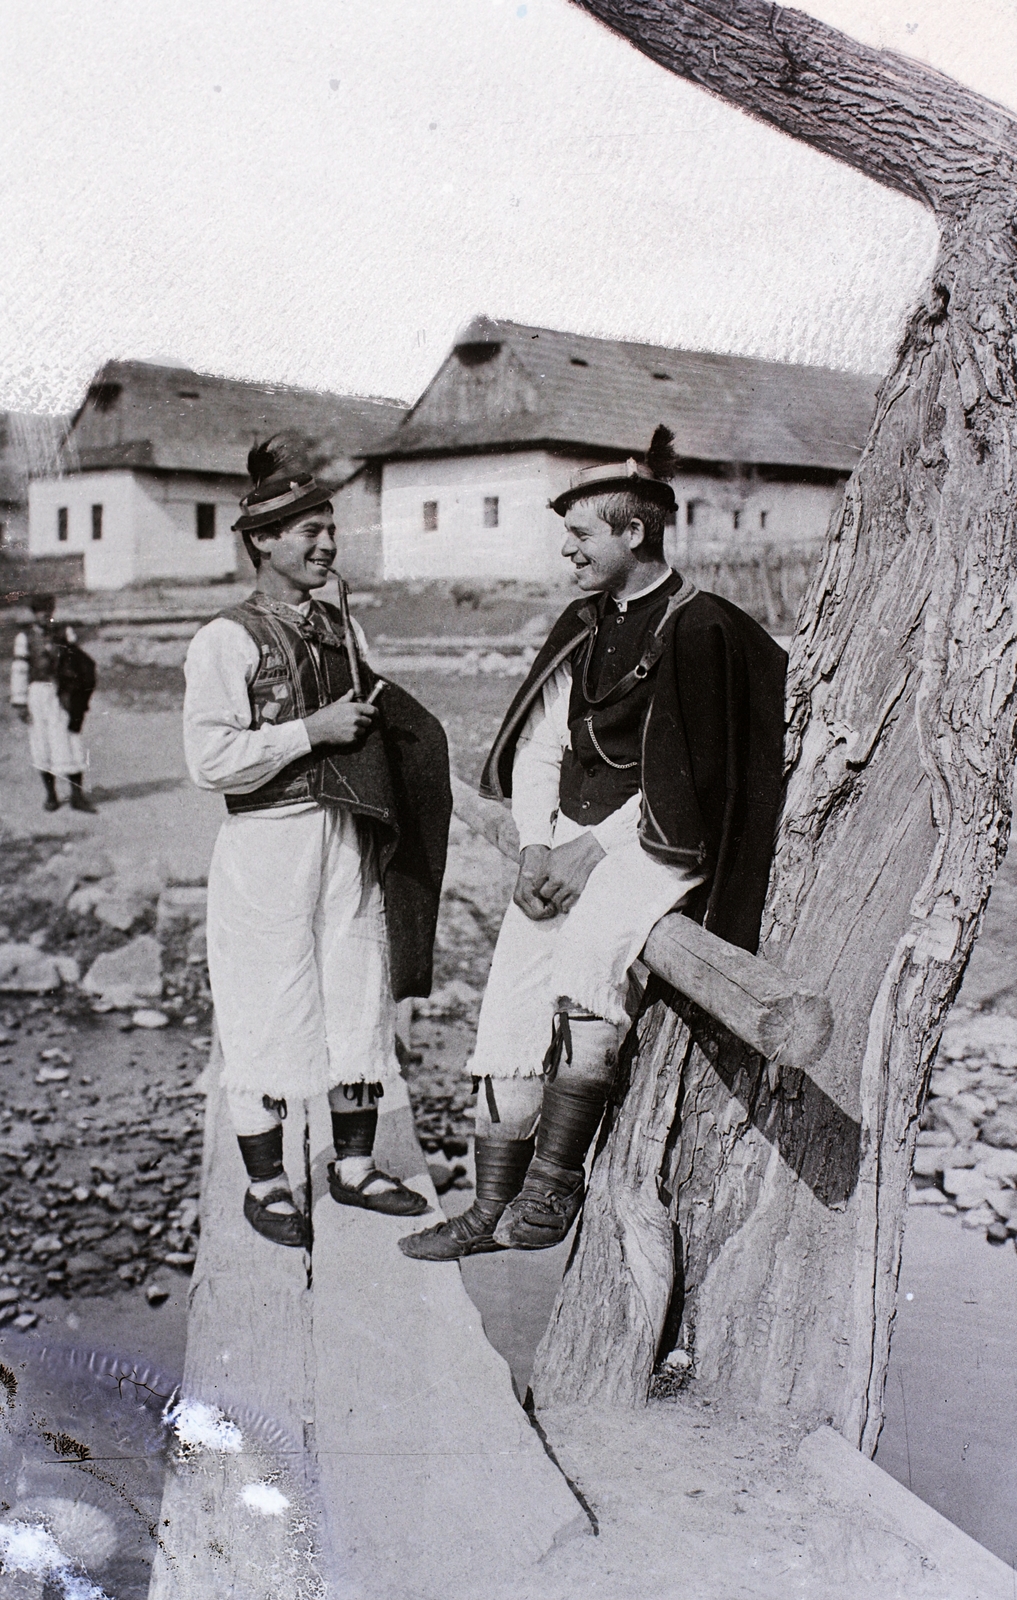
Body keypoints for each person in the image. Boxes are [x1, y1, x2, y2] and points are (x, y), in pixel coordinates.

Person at [401, 427, 786, 1261]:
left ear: (632, 533)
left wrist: (589, 853)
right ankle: (491, 1204)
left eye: (579, 537)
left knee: (586, 964)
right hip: (565, 839)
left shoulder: (699, 627)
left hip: (658, 847)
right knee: (508, 1000)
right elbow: (544, 743)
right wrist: (539, 847)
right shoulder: (583, 623)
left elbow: (691, 781)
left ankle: (553, 1185)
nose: (565, 552)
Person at [183, 436, 452, 1248]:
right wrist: (312, 730)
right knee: (266, 1001)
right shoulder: (223, 640)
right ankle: (266, 1184)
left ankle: (354, 1167)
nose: (325, 544)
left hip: (345, 838)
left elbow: (374, 709)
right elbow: (210, 760)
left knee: (354, 990)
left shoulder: (341, 627)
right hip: (268, 842)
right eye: (306, 530)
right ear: (262, 540)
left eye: (330, 527)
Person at [10, 594, 97, 813]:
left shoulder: (64, 633)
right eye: (40, 611)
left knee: (70, 740)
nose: (44, 615)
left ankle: (77, 796)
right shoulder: (25, 638)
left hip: (63, 693)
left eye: (48, 610)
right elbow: (19, 671)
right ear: (34, 613)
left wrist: (77, 693)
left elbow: (79, 662)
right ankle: (51, 796)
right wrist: (20, 703)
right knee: (41, 743)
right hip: (38, 693)